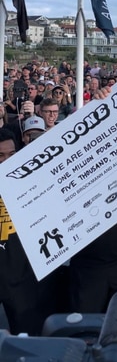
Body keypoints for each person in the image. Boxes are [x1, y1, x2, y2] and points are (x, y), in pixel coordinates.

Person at [0, 128, 59, 336]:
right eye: (0, 156)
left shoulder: (32, 182)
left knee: (26, 337)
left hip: (24, 279)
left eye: (12, 154)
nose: (6, 160)